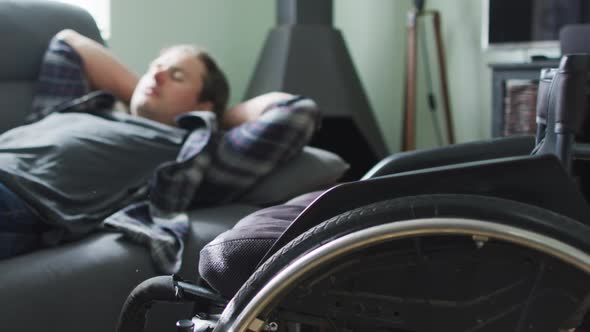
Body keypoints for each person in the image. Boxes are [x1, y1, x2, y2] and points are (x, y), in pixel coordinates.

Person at [0, 29, 319, 261]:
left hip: (21, 199)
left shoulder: (191, 150)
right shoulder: (85, 106)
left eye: (176, 76)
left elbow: (297, 112)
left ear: (204, 105)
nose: (158, 75)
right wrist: (144, 87)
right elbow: (68, 42)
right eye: (155, 67)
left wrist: (215, 116)